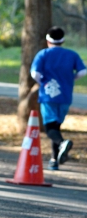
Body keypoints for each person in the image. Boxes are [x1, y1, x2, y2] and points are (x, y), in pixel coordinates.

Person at [31, 26, 86, 170]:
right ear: (63, 40)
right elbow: (82, 71)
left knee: (50, 127)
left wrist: (42, 82)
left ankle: (62, 144)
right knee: (56, 126)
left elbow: (35, 73)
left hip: (48, 96)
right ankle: (54, 160)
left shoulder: (43, 54)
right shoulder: (72, 54)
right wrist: (71, 79)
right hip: (65, 95)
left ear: (47, 40)